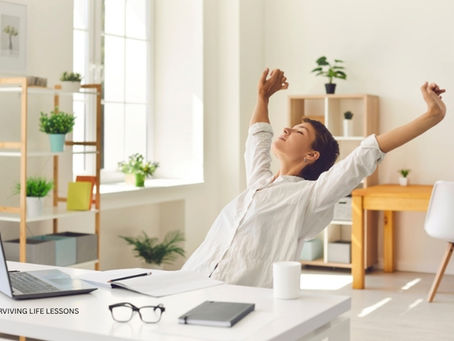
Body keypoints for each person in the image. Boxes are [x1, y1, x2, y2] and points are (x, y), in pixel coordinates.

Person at [182, 68, 446, 288]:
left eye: (298, 131)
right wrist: (263, 97)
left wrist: (432, 116)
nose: (286, 128)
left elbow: (367, 153)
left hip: (235, 297)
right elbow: (258, 138)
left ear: (311, 154)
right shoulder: (259, 183)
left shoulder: (310, 197)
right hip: (190, 279)